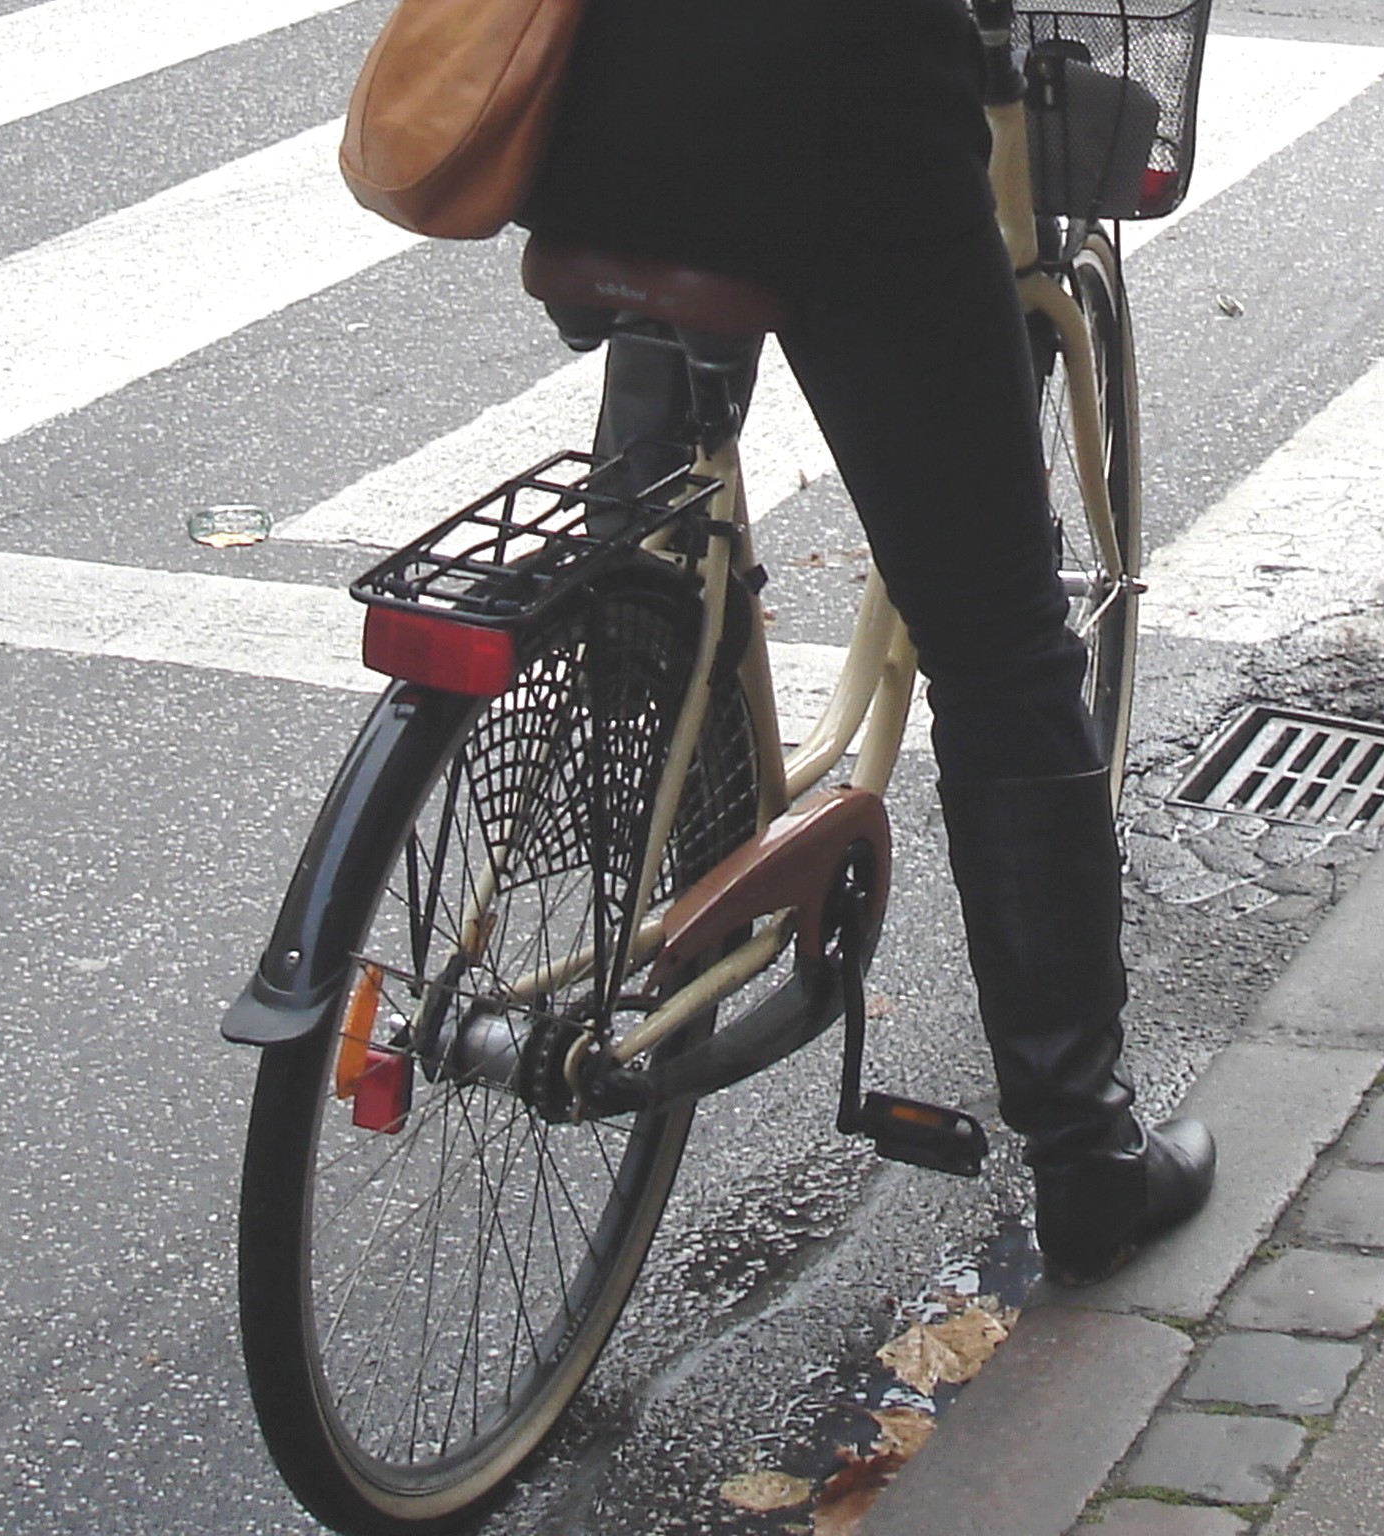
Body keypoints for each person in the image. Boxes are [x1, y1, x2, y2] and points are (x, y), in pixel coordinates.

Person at [519, 0, 1213, 1284]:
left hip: (600, 116)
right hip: (844, 123)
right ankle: (1083, 1153)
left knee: (658, 513)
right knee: (1000, 637)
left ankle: (639, 669)